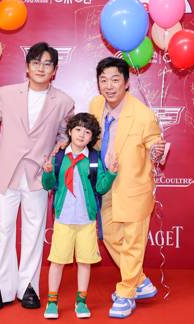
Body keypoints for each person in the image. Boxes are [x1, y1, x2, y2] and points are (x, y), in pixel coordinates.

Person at [0, 42, 75, 311]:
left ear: (55, 70)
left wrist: (55, 152)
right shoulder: (8, 93)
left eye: (47, 64)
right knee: (3, 229)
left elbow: (65, 134)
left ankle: (29, 287)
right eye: (36, 62)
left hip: (38, 173)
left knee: (35, 230)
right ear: (27, 68)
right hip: (7, 171)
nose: (41, 67)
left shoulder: (64, 102)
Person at [88, 57, 166, 319]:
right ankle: (139, 280)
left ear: (127, 83)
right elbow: (94, 139)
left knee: (133, 244)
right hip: (106, 185)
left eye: (115, 80)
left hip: (134, 188)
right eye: (103, 80)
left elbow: (156, 142)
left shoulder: (143, 115)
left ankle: (126, 292)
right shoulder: (96, 105)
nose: (109, 86)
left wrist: (157, 150)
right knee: (109, 236)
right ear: (98, 83)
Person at [41, 113, 118, 319]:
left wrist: (110, 173)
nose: (82, 134)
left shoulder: (93, 159)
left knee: (84, 261)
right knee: (57, 261)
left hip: (87, 221)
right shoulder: (58, 157)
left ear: (92, 137)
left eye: (87, 131)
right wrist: (48, 172)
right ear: (69, 131)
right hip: (63, 220)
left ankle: (81, 301)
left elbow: (100, 188)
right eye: (78, 129)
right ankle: (52, 301)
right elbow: (49, 185)